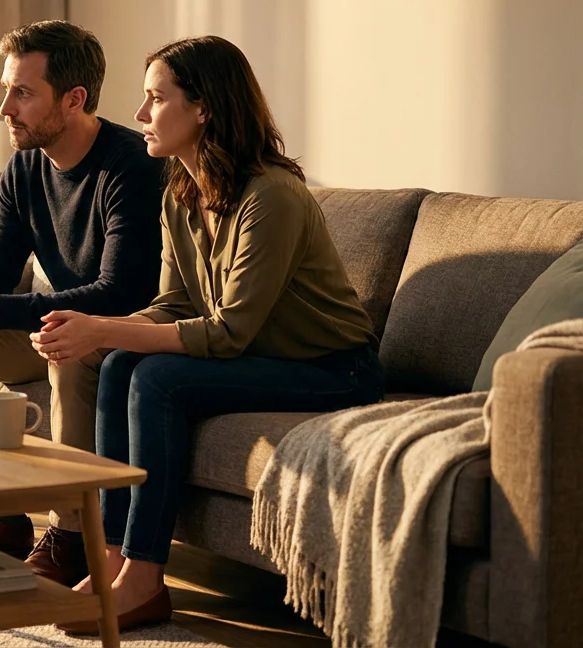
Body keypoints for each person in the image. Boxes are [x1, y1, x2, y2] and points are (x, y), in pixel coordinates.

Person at [30, 36, 385, 634]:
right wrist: (98, 334)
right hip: (264, 356)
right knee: (118, 363)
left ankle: (144, 578)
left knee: (159, 377)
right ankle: (114, 557)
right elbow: (174, 303)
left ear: (204, 109)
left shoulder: (271, 196)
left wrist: (102, 327)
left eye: (155, 99)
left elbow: (229, 333)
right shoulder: (181, 189)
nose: (140, 115)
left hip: (334, 367)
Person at [0, 20, 164, 585]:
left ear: (73, 100)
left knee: (67, 348)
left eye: (23, 92)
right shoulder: (25, 167)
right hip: (55, 322)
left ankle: (74, 535)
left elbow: (120, 292)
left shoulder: (131, 166)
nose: (6, 106)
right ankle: (0, 511)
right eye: (8, 88)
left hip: (121, 336)